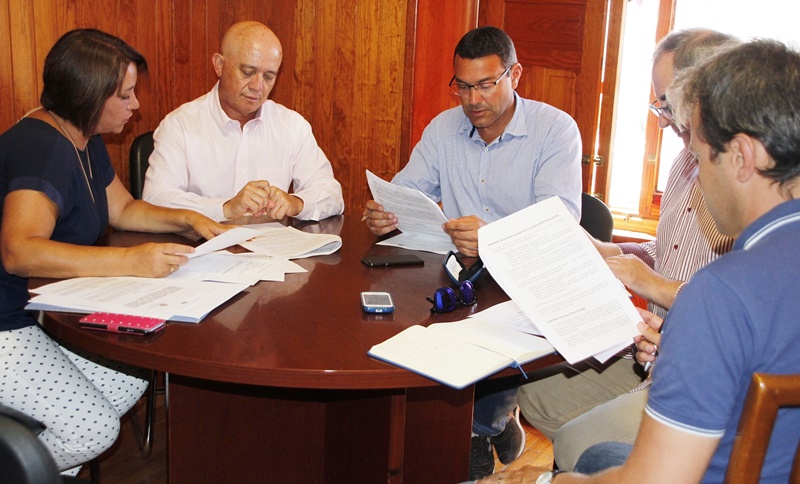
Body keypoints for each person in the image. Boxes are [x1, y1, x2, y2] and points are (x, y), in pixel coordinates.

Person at [479, 38, 800, 484]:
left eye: (700, 155)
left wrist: (544, 481)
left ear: (742, 157)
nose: (697, 173)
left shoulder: (721, 294)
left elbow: (654, 479)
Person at [0, 29, 230, 474]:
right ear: (88, 96)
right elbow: (18, 251)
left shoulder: (83, 137)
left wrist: (186, 218)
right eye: (125, 95)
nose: (135, 105)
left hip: (33, 313)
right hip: (5, 325)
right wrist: (130, 262)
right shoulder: (42, 148)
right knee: (94, 430)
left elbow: (122, 209)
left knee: (126, 379)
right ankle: (22, 471)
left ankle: (46, 469)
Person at [363, 26, 583, 479]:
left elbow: (559, 223)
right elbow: (408, 189)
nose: (472, 100)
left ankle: (483, 427)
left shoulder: (554, 130)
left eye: (485, 85)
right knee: (408, 324)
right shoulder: (444, 128)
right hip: (459, 272)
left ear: (514, 75)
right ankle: (473, 425)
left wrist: (494, 237)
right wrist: (385, 211)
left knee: (489, 343)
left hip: (526, 280)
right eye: (462, 86)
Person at [516, 29, 737, 471]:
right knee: (532, 393)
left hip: (696, 373)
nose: (663, 121)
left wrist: (645, 280)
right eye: (659, 106)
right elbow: (670, 247)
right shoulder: (683, 161)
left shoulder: (741, 180)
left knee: (580, 443)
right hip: (651, 349)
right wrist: (607, 250)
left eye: (667, 104)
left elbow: (735, 304)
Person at [143, 20, 344, 222]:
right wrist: (224, 208)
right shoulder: (179, 125)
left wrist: (297, 203)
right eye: (248, 72)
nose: (258, 86)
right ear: (219, 65)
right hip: (203, 240)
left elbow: (332, 195)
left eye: (269, 77)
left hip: (272, 242)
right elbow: (156, 199)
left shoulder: (291, 126)